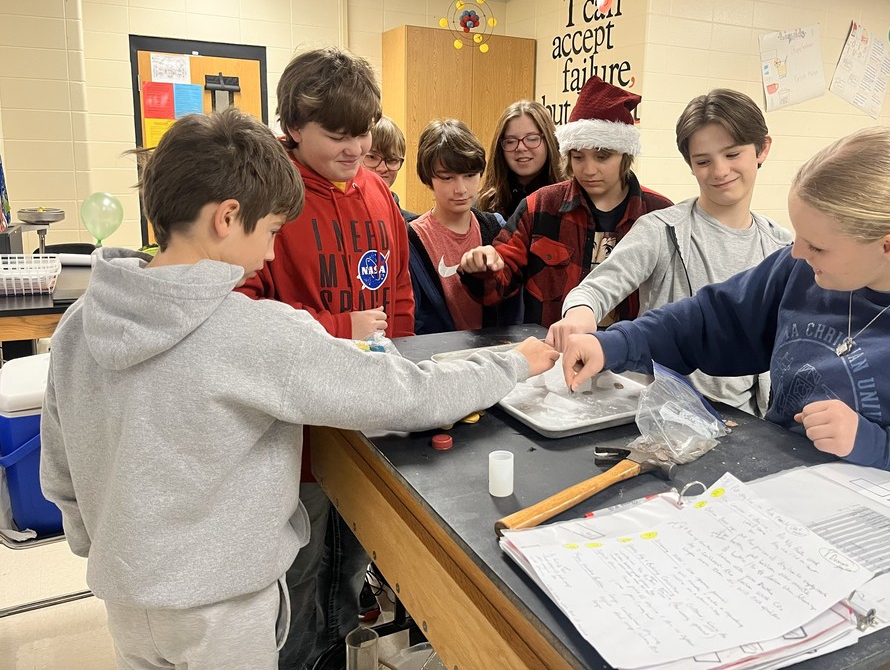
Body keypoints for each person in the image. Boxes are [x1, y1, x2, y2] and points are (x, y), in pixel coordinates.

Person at [38, 108, 558, 670]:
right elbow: (406, 394)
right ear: (227, 217)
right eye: (270, 232)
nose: (269, 253)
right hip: (226, 606)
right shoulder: (251, 331)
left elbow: (60, 467)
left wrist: (109, 555)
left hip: (124, 596)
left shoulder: (80, 323)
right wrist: (512, 363)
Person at [562, 126, 890, 520]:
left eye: (817, 246)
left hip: (881, 532)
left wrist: (877, 445)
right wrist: (614, 344)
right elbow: (710, 319)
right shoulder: (804, 269)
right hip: (775, 498)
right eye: (799, 236)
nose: (797, 253)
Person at [236, 46, 413, 668]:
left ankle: (335, 656)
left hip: (365, 424)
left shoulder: (377, 193)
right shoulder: (267, 199)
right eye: (337, 136)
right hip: (296, 439)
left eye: (363, 133)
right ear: (293, 126)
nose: (356, 149)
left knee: (353, 561)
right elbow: (243, 319)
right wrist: (339, 328)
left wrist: (399, 378)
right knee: (299, 571)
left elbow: (398, 292)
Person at [547, 89, 792, 416]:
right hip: (668, 418)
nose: (720, 171)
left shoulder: (781, 246)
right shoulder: (661, 230)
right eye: (703, 161)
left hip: (748, 422)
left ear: (762, 149)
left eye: (732, 154)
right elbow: (597, 288)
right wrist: (580, 313)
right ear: (690, 164)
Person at [461, 76, 673, 328]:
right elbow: (499, 282)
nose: (589, 170)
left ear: (625, 155)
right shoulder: (539, 206)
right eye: (578, 156)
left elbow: (675, 296)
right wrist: (484, 266)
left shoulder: (659, 214)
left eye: (602, 156)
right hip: (553, 347)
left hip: (629, 349)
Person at [408, 119, 520, 334]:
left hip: (496, 348)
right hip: (437, 352)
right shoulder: (410, 239)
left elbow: (513, 302)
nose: (460, 189)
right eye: (447, 178)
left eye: (469, 175)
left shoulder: (496, 227)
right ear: (428, 179)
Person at [477, 100, 565, 220]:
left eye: (532, 139)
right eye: (510, 141)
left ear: (549, 141)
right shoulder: (484, 203)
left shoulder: (569, 200)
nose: (521, 148)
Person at [365, 115, 417, 222]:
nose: (382, 168)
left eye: (391, 160)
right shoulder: (339, 215)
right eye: (372, 157)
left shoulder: (411, 226)